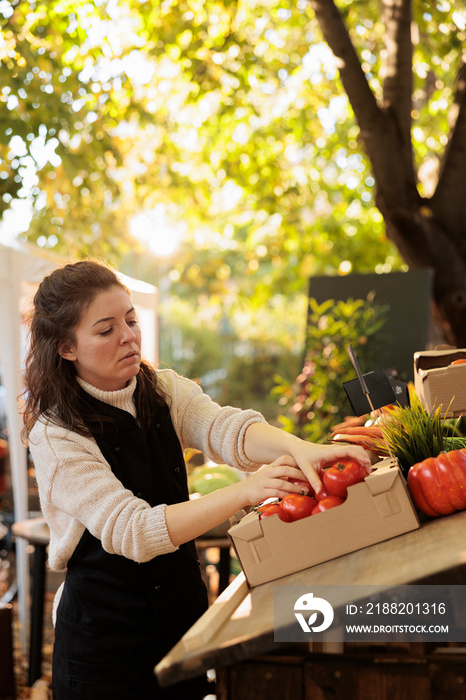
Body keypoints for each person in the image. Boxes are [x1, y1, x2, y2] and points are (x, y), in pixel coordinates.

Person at [22, 259, 371, 700]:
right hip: (106, 648)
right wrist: (245, 490)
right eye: (106, 330)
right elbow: (133, 531)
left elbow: (226, 429)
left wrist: (305, 449)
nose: (129, 336)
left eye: (131, 320)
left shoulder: (163, 389)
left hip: (181, 619)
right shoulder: (56, 433)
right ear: (66, 348)